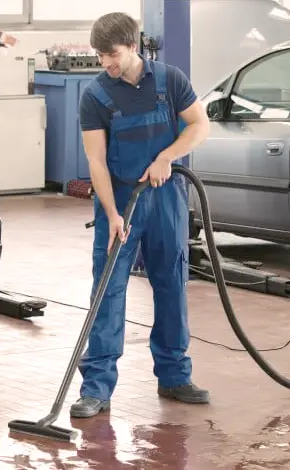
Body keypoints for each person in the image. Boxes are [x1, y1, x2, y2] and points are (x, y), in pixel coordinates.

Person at [71, 11, 211, 419]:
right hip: (119, 203)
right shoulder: (95, 95)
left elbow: (199, 125)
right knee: (108, 293)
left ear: (133, 45)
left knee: (171, 285)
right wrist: (112, 214)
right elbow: (96, 162)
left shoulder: (170, 81)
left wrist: (168, 156)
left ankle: (174, 376)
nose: (106, 63)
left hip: (166, 201)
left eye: (111, 54)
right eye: (99, 56)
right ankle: (96, 388)